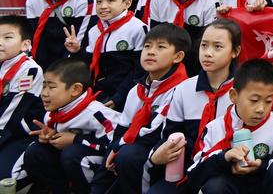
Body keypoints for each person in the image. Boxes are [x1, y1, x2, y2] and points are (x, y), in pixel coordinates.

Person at [91, 23, 190, 194]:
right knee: (106, 162)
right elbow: (123, 128)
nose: (151, 52)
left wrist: (119, 147)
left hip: (164, 155)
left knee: (127, 155)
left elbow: (154, 132)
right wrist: (115, 147)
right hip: (134, 148)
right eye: (147, 46)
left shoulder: (181, 89)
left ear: (178, 56)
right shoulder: (137, 90)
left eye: (160, 47)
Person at [146, 19, 241, 193]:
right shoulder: (184, 89)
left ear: (235, 51)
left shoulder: (243, 90)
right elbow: (170, 134)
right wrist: (158, 153)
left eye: (217, 47)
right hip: (186, 169)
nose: (208, 53)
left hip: (226, 171)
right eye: (204, 46)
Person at [184, 59, 273, 193]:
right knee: (214, 187)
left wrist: (262, 164)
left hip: (265, 186)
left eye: (268, 101)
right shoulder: (215, 128)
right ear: (234, 96)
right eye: (254, 100)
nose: (261, 109)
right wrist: (224, 157)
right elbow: (194, 176)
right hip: (230, 186)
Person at [22, 57, 119, 194]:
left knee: (72, 154)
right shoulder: (53, 111)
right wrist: (49, 136)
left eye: (52, 87)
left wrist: (75, 139)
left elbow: (116, 145)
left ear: (75, 89)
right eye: (44, 86)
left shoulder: (96, 113)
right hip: (73, 163)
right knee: (35, 152)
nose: (44, 93)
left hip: (105, 168)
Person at [63, 0, 146, 110]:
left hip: (126, 95)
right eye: (99, 1)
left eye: (110, 1)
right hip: (99, 94)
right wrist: (77, 51)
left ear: (127, 3)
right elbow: (88, 66)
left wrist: (119, 97)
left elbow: (140, 70)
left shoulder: (138, 28)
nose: (103, 6)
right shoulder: (94, 30)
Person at [26, 0, 95, 69]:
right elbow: (35, 37)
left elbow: (82, 39)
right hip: (45, 60)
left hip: (75, 59)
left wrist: (60, 71)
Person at [0, 15, 43, 181]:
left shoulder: (29, 70)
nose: (0, 42)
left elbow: (11, 114)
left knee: (4, 178)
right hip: (5, 130)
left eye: (7, 37)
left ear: (25, 44)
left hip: (20, 132)